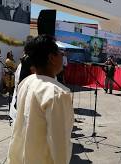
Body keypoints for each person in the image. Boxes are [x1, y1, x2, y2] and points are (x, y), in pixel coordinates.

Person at [7, 35, 73, 164]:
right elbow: (60, 145)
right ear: (51, 58)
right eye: (60, 53)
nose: (62, 57)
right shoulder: (57, 93)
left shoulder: (27, 82)